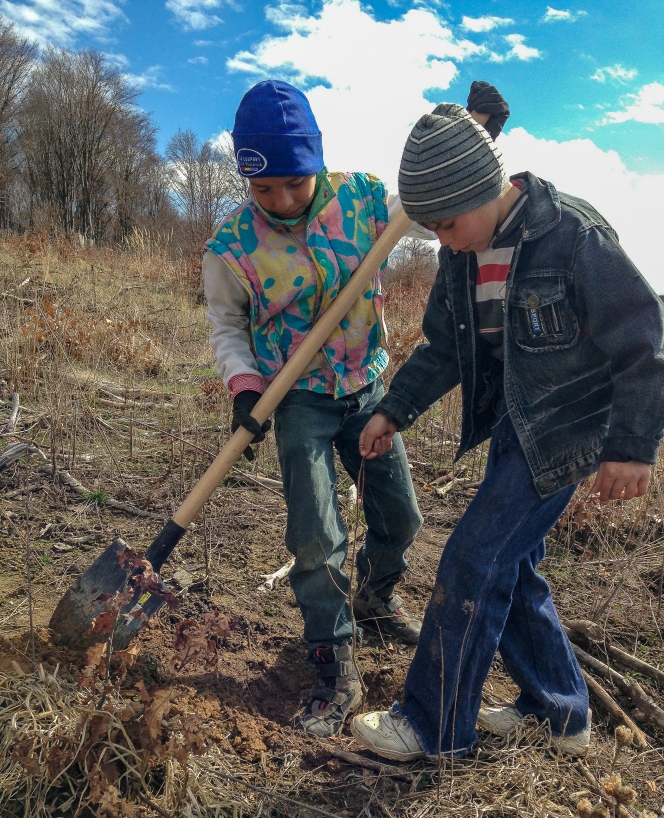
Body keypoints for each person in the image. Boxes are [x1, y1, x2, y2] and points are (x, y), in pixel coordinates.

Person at [350, 101, 664, 761]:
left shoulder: (573, 236)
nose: (444, 238)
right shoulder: (462, 257)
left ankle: (433, 726)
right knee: (511, 565)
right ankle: (559, 710)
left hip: (568, 430)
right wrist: (391, 410)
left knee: (474, 558)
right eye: (432, 226)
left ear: (480, 191)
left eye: (448, 221)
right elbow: (440, 348)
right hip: (517, 427)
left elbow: (644, 338)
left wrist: (633, 447)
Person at [203, 80, 509, 738]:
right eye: (264, 190)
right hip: (299, 400)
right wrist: (245, 388)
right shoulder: (232, 248)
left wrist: (476, 142)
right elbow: (228, 327)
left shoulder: (365, 200)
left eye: (294, 182)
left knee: (402, 516)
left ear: (315, 162)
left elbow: (429, 207)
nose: (282, 201)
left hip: (366, 387)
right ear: (246, 180)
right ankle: (332, 657)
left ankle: (374, 593)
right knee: (316, 536)